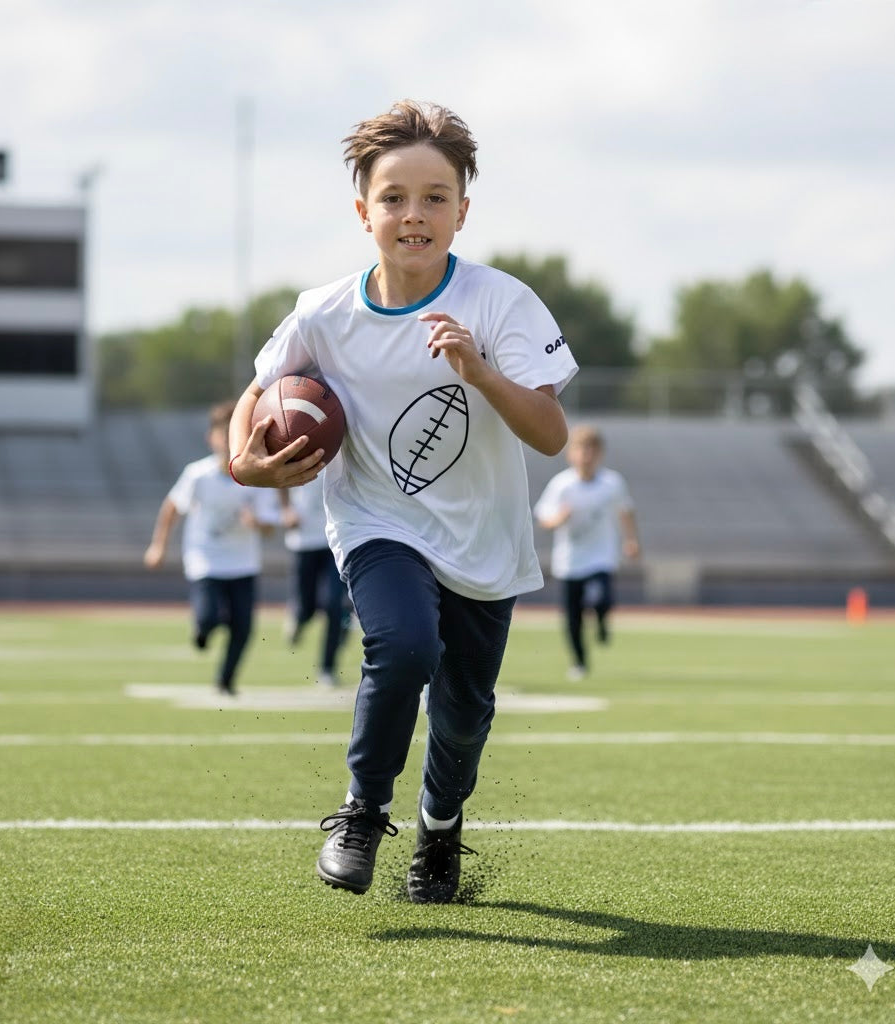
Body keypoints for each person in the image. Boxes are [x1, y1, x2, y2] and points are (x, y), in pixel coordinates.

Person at [227, 99, 578, 903]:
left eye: (434, 197)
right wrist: (247, 462)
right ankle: (362, 813)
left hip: (483, 540)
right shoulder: (323, 312)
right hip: (375, 521)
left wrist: (480, 371)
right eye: (393, 198)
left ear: (462, 211)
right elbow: (258, 392)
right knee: (405, 646)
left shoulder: (501, 302)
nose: (413, 214)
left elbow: (551, 434)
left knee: (463, 713)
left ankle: (440, 829)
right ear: (364, 212)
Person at [144, 400, 279, 695]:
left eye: (234, 434)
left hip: (243, 563)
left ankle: (225, 680)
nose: (228, 442)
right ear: (212, 438)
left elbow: (270, 527)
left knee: (243, 628)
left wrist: (256, 522)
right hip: (205, 559)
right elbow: (172, 507)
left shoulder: (257, 476)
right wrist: (158, 546)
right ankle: (203, 629)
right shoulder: (197, 474)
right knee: (208, 617)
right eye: (223, 434)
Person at [533, 424, 641, 680]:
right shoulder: (562, 485)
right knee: (573, 618)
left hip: (601, 556)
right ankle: (580, 662)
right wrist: (558, 519)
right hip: (570, 560)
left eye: (592, 450)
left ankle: (602, 620)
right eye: (581, 449)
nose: (586, 455)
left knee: (603, 598)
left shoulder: (612, 483)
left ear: (600, 453)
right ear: (571, 454)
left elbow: (625, 510)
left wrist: (631, 540)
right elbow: (543, 517)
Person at [279, 476, 351, 688]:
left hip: (337, 539)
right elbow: (280, 477)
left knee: (335, 605)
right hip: (304, 539)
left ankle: (327, 668)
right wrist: (286, 509)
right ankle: (299, 616)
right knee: (306, 608)